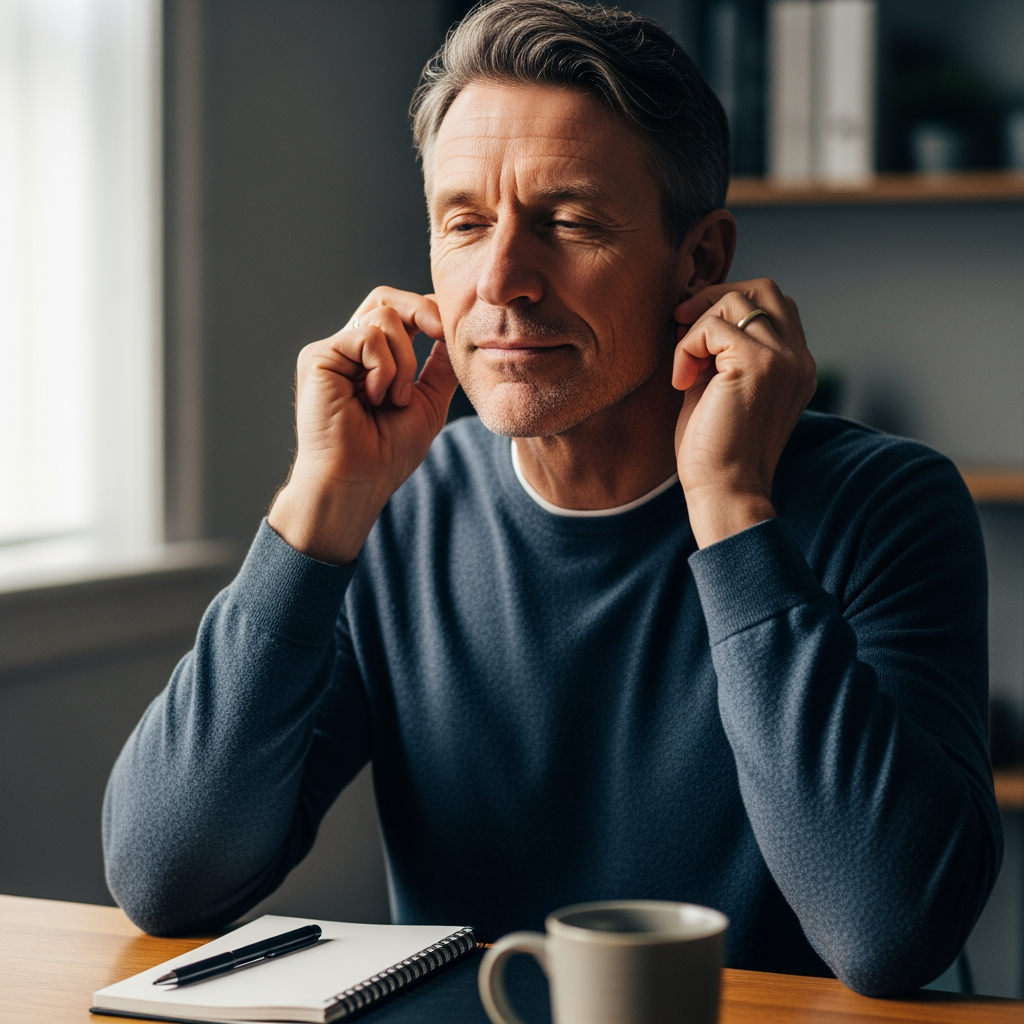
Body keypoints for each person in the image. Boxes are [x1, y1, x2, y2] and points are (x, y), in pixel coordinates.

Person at [103, 0, 1001, 997]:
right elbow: (164, 876)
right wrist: (323, 502)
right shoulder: (395, 512)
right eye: (464, 222)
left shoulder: (886, 505)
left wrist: (731, 504)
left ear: (699, 261)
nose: (502, 280)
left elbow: (888, 932)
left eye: (567, 221)